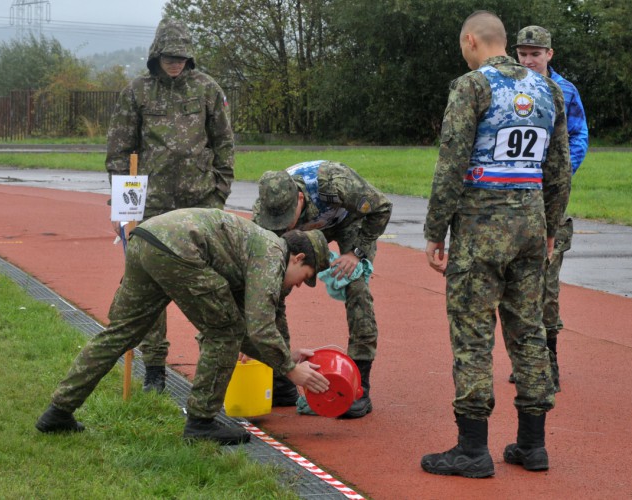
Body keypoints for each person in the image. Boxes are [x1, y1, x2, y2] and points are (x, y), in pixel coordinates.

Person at [420, 11, 571, 478]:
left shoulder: (472, 86)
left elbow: (451, 163)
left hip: (480, 227)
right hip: (529, 224)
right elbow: (559, 166)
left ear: (471, 41)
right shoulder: (547, 89)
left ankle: (472, 449)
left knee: (472, 334)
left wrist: (434, 231)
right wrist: (549, 225)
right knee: (528, 332)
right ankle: (532, 445)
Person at [35, 209, 331, 445]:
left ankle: (58, 411)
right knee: (223, 332)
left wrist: (287, 357)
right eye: (305, 276)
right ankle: (201, 422)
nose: (300, 285)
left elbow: (250, 331)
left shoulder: (258, 246)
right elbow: (256, 328)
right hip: (180, 248)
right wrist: (291, 370)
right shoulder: (272, 256)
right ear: (298, 257)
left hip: (147, 239)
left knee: (120, 333)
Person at [105, 18, 236, 393]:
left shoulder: (207, 89)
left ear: (189, 57)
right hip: (150, 206)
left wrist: (218, 195)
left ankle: (212, 364)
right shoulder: (137, 92)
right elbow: (119, 149)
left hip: (199, 205)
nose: (175, 63)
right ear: (156, 56)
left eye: (181, 57)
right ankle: (156, 368)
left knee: (209, 284)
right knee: (149, 286)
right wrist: (122, 207)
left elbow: (224, 144)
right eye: (169, 57)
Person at [252, 160, 393, 418]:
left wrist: (356, 252)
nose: (280, 224)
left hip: (349, 222)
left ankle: (359, 385)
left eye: (285, 217)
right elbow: (258, 277)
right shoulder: (266, 211)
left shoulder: (334, 181)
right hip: (306, 232)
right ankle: (282, 378)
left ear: (300, 198)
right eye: (276, 220)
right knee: (275, 287)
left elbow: (381, 208)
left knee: (356, 287)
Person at [512, 25, 589, 392]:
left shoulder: (565, 92)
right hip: (511, 197)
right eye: (522, 54)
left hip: (548, 198)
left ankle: (550, 361)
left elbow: (579, 137)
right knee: (512, 284)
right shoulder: (507, 88)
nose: (528, 60)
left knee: (547, 283)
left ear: (549, 55)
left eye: (535, 54)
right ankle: (524, 357)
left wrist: (558, 173)